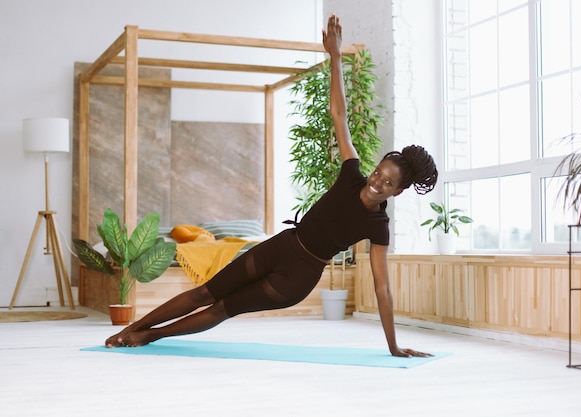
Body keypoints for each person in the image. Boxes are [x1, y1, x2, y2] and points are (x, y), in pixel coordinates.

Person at [105, 14, 438, 358]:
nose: (377, 183)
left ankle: (149, 336)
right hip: (280, 246)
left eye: (388, 183)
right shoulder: (351, 173)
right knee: (205, 292)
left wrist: (394, 346)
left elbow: (382, 287)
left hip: (297, 276)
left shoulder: (378, 227)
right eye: (379, 173)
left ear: (397, 192)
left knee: (222, 308)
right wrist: (335, 57)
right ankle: (132, 328)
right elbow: (339, 115)